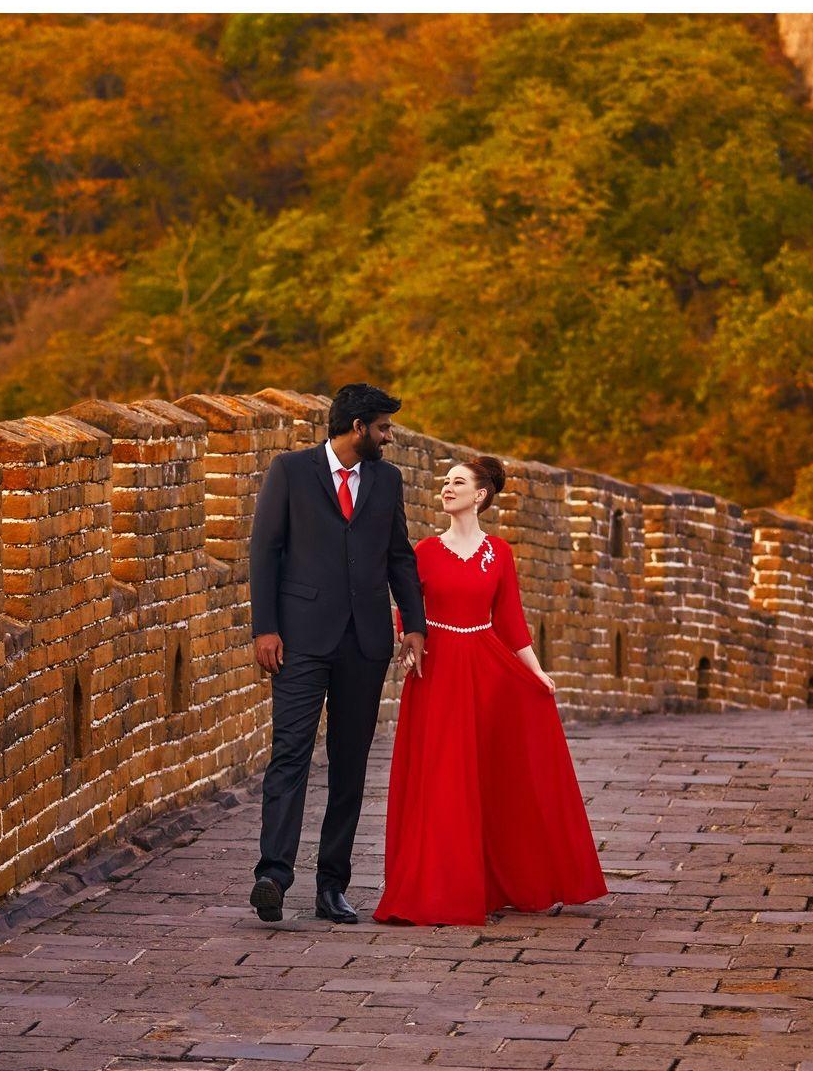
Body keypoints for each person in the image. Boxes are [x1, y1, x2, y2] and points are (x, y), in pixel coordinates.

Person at [374, 453, 607, 926]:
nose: (446, 488)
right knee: (440, 779)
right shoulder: (424, 551)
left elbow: (511, 622)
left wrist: (536, 673)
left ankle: (495, 882)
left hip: (485, 671)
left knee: (486, 778)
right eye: (444, 482)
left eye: (457, 482)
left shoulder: (499, 553)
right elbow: (406, 610)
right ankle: (436, 888)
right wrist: (407, 641)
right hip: (436, 674)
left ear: (480, 495)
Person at [247, 383, 427, 923]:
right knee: (291, 755)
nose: (388, 438)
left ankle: (332, 886)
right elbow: (265, 550)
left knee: (350, 766)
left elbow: (399, 555)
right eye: (383, 428)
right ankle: (273, 876)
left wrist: (414, 624)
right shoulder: (291, 471)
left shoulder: (386, 480)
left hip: (365, 643)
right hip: (299, 639)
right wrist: (266, 629)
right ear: (357, 428)